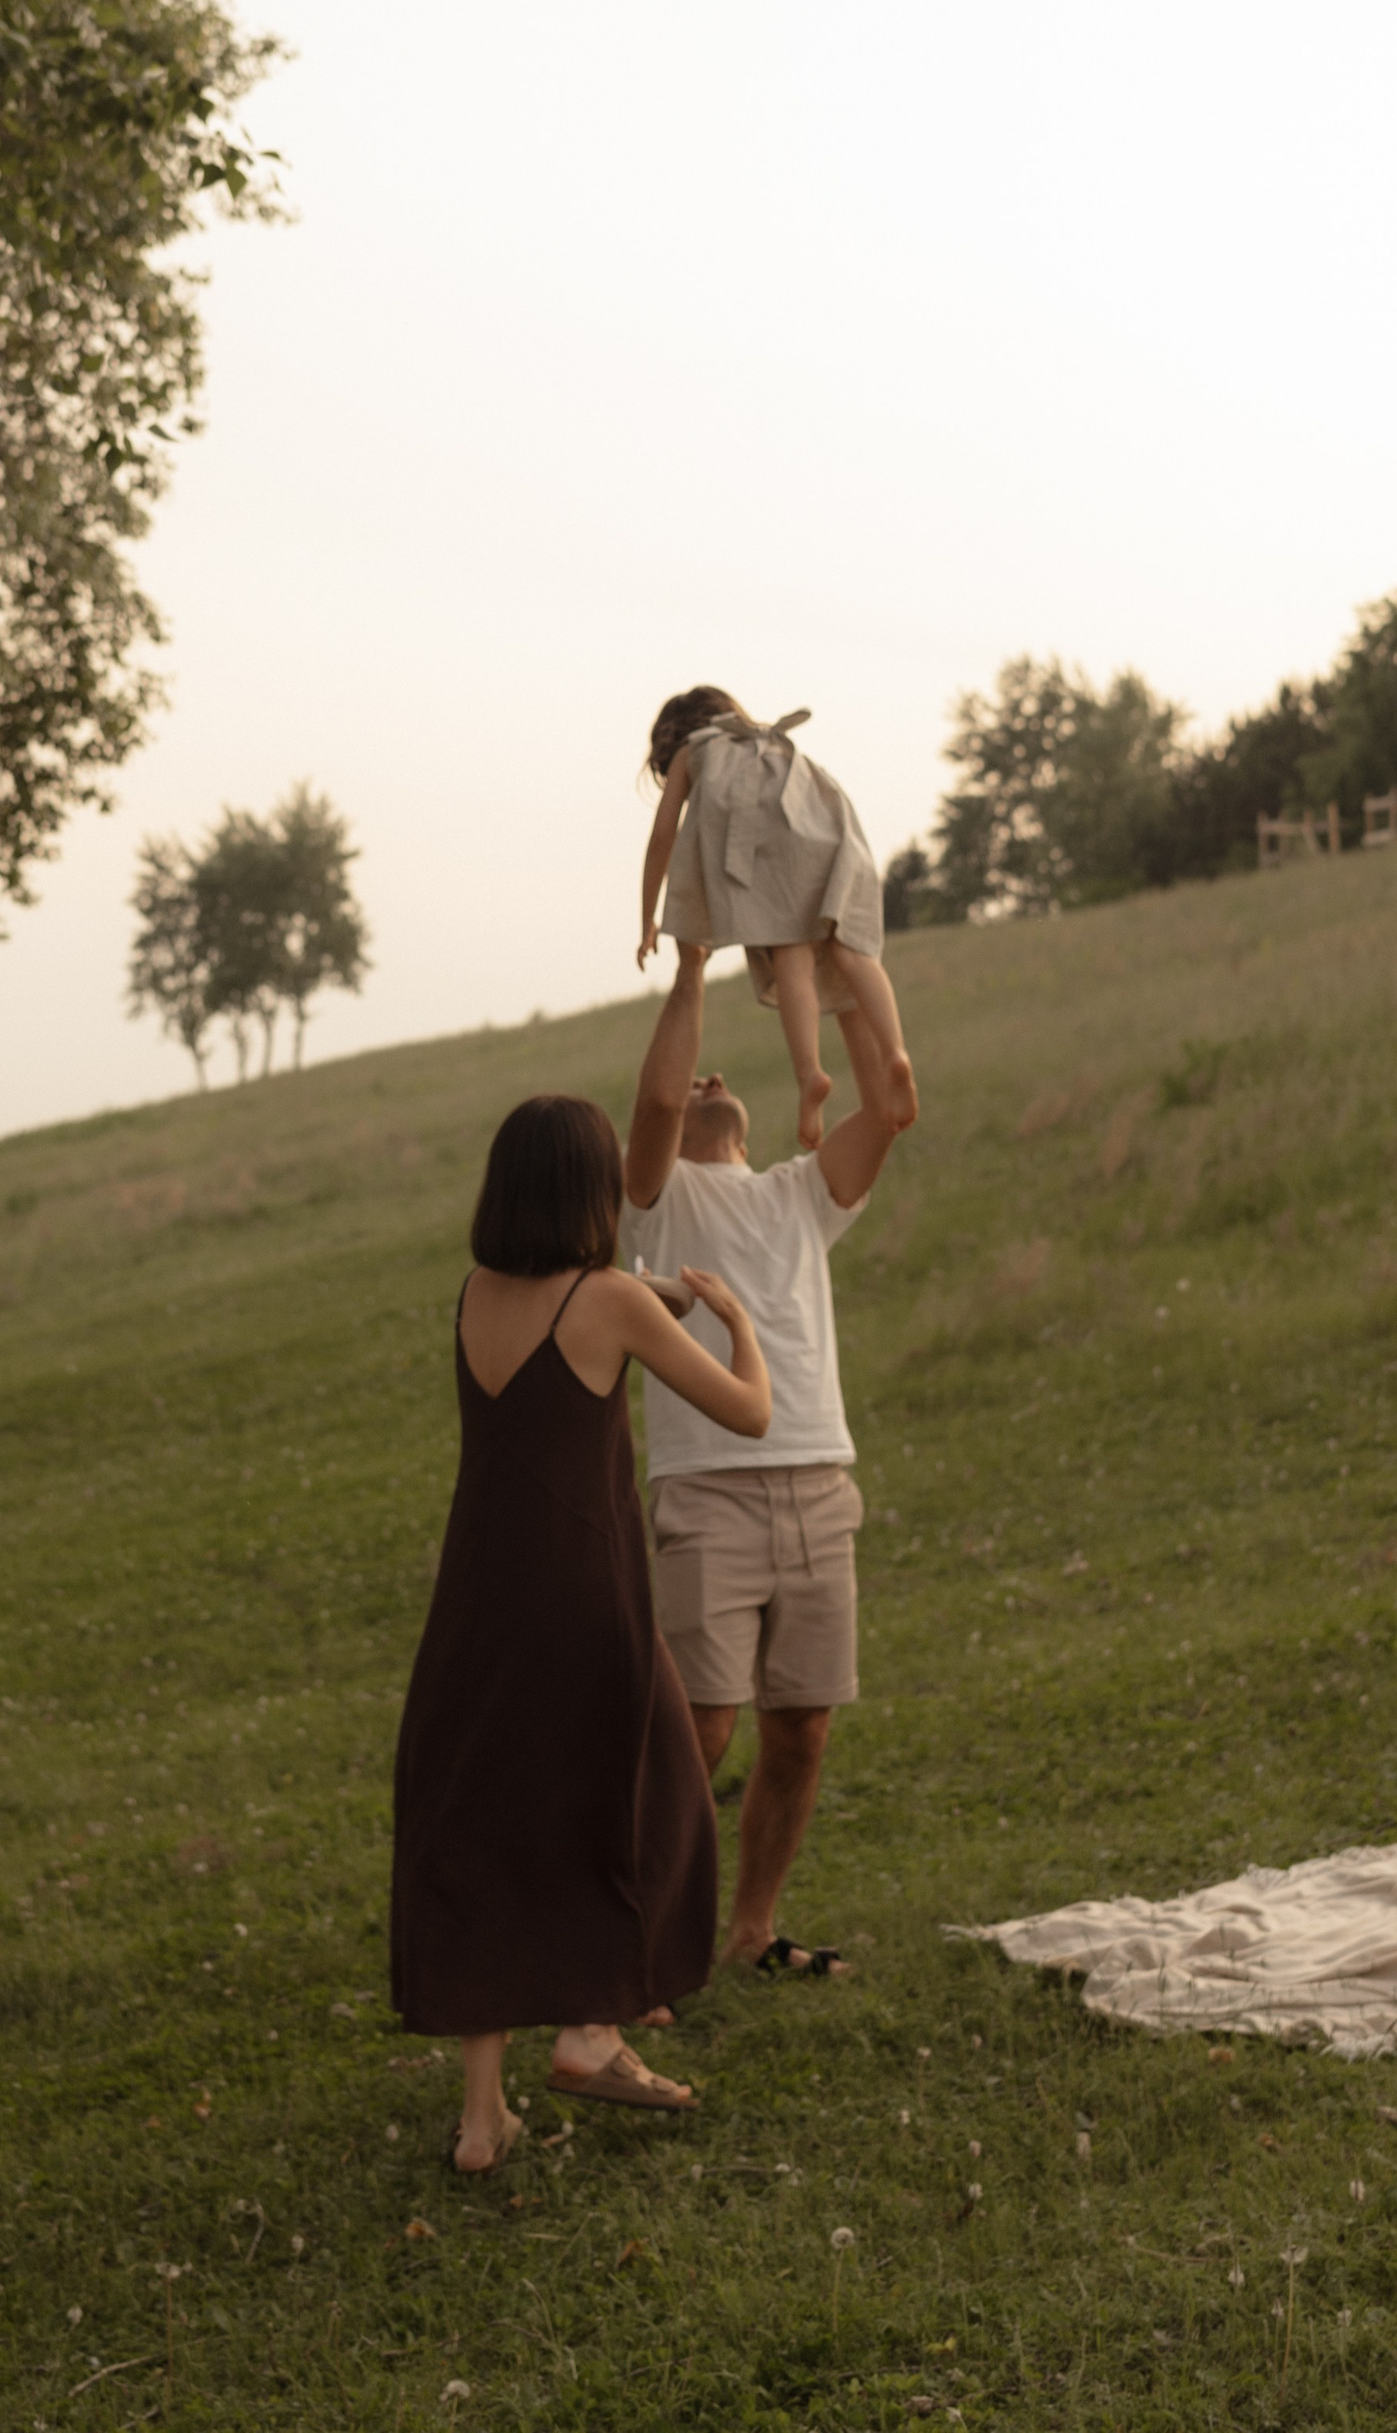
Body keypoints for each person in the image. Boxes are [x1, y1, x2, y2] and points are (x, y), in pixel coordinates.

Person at [390, 1093, 771, 2177]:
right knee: (650, 1802)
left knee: (488, 1826)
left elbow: (585, 1310)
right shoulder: (608, 1301)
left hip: (475, 1603)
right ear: (590, 1191)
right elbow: (747, 1411)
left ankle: (481, 2117)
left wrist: (651, 1298)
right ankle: (594, 2032)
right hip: (587, 1600)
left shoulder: (475, 1294)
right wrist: (737, 1319)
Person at [619, 942, 904, 1983]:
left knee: (804, 1728)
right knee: (699, 1729)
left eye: (722, 1077)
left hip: (820, 1486)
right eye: (698, 1076)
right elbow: (652, 1108)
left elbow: (887, 1109)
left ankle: (750, 1929)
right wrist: (692, 968)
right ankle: (643, 1942)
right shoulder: (654, 1209)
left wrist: (841, 989)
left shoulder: (798, 1195)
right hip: (707, 1496)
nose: (710, 1079)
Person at [635, 687, 919, 1150]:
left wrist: (649, 917)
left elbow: (662, 836)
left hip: (770, 842)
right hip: (827, 831)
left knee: (791, 953)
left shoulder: (695, 750)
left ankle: (809, 1075)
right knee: (853, 951)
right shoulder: (770, 742)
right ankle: (895, 1052)